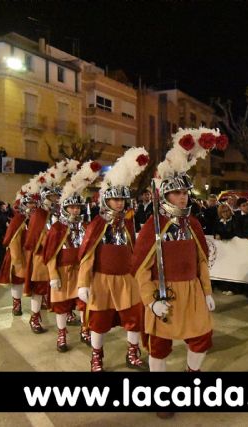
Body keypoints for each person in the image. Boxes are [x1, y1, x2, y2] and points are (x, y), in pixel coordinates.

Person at [133, 128, 224, 419]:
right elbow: (140, 269)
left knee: (202, 339)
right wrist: (150, 301)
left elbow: (201, 262)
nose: (183, 197)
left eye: (185, 192)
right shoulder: (152, 226)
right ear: (164, 194)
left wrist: (207, 292)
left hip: (193, 293)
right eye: (177, 192)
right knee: (159, 347)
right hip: (164, 295)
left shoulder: (194, 224)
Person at [77, 148, 149, 372]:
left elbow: (133, 251)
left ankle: (132, 353)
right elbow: (87, 256)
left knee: (134, 318)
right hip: (102, 281)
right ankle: (96, 357)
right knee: (99, 322)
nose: (119, 203)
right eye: (115, 199)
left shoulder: (128, 222)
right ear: (107, 199)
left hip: (127, 280)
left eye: (122, 199)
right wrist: (83, 284)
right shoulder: (97, 224)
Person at [45, 161, 101, 352]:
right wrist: (53, 275)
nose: (75, 210)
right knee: (61, 306)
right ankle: (62, 334)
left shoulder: (86, 226)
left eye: (78, 207)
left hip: (80, 272)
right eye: (72, 207)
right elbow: (50, 254)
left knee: (84, 303)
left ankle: (85, 329)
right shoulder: (57, 228)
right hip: (62, 271)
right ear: (65, 208)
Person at [23, 160, 77, 333]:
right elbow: (33, 239)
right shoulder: (38, 215)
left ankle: (67, 311)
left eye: (56, 197)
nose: (54, 200)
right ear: (44, 198)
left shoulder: (60, 215)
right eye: (51, 197)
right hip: (41, 258)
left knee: (63, 288)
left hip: (60, 258)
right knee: (39, 289)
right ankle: (34, 317)